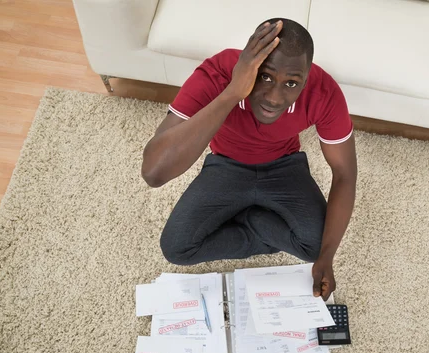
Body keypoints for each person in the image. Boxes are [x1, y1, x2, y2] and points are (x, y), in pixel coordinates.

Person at [141, 18, 357, 301]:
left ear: (305, 80)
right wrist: (232, 92)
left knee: (317, 246)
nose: (275, 98)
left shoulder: (323, 91)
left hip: (284, 167)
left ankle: (250, 218)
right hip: (227, 165)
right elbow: (153, 172)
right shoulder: (219, 73)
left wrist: (327, 258)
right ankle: (254, 215)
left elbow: (345, 173)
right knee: (177, 248)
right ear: (248, 62)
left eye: (291, 83)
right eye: (265, 76)